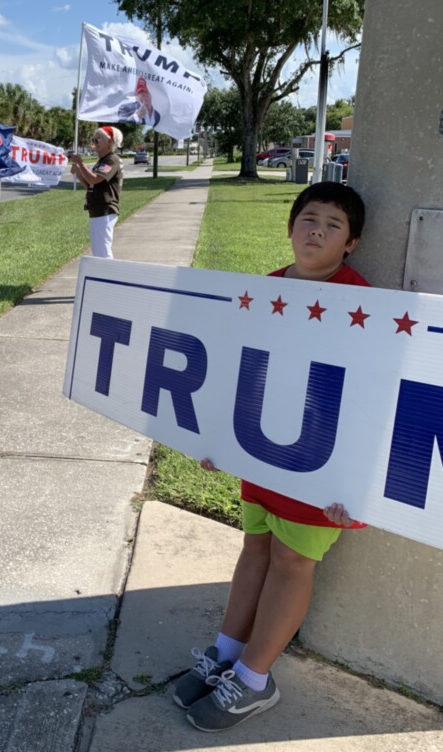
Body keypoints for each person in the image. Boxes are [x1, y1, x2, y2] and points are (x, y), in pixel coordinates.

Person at [173, 182, 370, 733]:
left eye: (333, 225)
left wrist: (353, 485)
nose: (317, 231)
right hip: (262, 456)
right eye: (309, 218)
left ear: (352, 242)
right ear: (289, 228)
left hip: (320, 471)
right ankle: (226, 654)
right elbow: (238, 370)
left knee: (291, 562)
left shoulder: (368, 306)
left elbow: (373, 402)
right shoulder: (264, 292)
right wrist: (218, 439)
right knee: (255, 548)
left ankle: (255, 680)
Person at [69, 126, 124, 259]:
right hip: (97, 210)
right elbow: (91, 185)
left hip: (105, 209)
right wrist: (79, 173)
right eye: (94, 138)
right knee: (98, 251)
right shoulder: (102, 161)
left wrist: (81, 163)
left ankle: (109, 278)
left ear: (110, 142)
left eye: (99, 139)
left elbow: (95, 178)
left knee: (103, 253)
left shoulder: (112, 159)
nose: (95, 141)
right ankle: (104, 277)